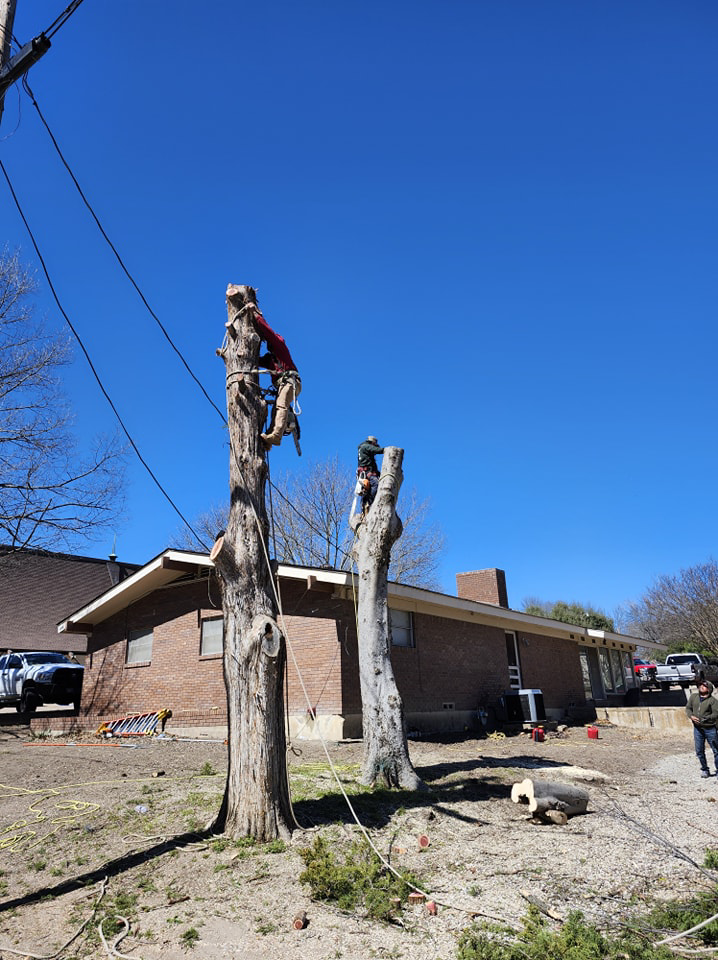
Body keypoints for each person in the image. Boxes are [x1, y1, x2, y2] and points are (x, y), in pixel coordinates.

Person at [252, 308, 301, 448]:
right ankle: (268, 439)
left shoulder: (280, 347)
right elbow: (254, 360)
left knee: (281, 405)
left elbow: (268, 331)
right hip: (284, 384)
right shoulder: (270, 358)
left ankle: (276, 436)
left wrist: (256, 316)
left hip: (290, 381)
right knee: (276, 410)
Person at [685, 680, 718, 778]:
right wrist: (691, 716)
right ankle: (704, 769)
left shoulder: (713, 701)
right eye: (700, 685)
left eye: (704, 686)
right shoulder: (693, 697)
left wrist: (706, 718)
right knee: (699, 750)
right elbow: (688, 708)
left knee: (716, 750)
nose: (701, 687)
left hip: (710, 729)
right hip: (697, 729)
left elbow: (716, 714)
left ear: (709, 689)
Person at [357, 436, 384, 510]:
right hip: (367, 472)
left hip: (366, 472)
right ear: (372, 443)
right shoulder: (366, 446)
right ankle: (369, 503)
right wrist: (386, 450)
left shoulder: (364, 449)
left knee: (366, 490)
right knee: (376, 484)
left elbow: (371, 465)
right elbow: (377, 450)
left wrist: (379, 474)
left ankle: (365, 505)